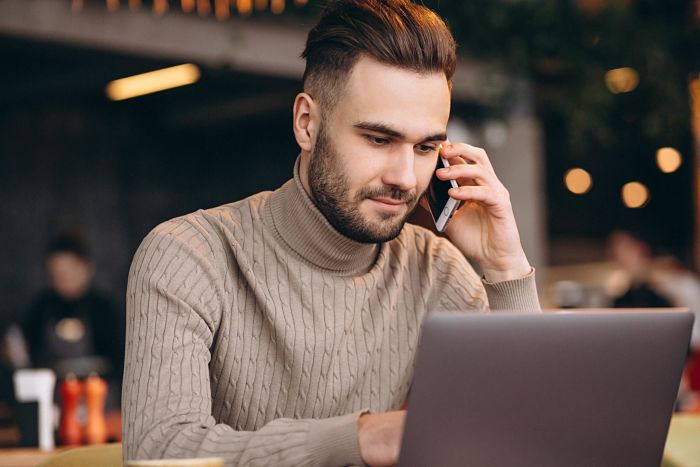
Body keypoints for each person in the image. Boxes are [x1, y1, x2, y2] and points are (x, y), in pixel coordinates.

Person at [122, 1, 540, 465]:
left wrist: (505, 267)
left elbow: (531, 435)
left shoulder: (437, 272)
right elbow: (158, 453)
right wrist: (362, 438)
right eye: (379, 139)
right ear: (307, 123)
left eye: (425, 147)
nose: (405, 176)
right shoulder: (188, 256)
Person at [22, 230, 124, 387]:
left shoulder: (104, 309)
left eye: (69, 271)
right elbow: (27, 357)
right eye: (57, 274)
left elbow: (120, 360)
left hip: (100, 399)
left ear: (88, 267)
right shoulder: (40, 308)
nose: (63, 279)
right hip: (56, 400)